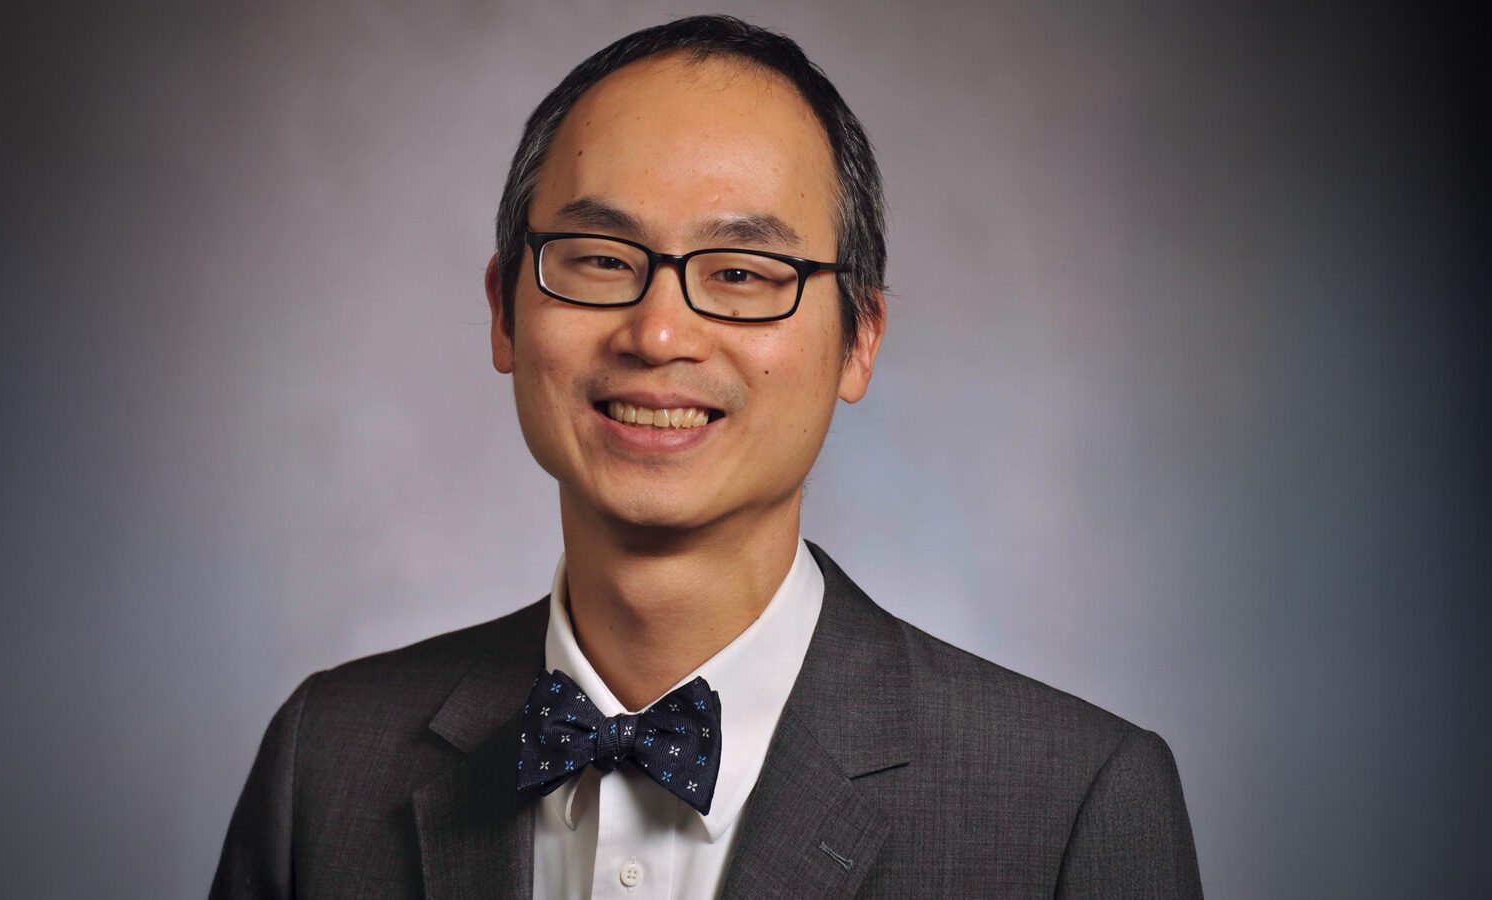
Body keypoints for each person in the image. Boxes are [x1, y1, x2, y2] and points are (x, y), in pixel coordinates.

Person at [209, 15, 1203, 899]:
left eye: (741, 272)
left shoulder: (1072, 803)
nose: (657, 335)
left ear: (859, 339)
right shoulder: (326, 759)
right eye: (600, 260)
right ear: (503, 310)